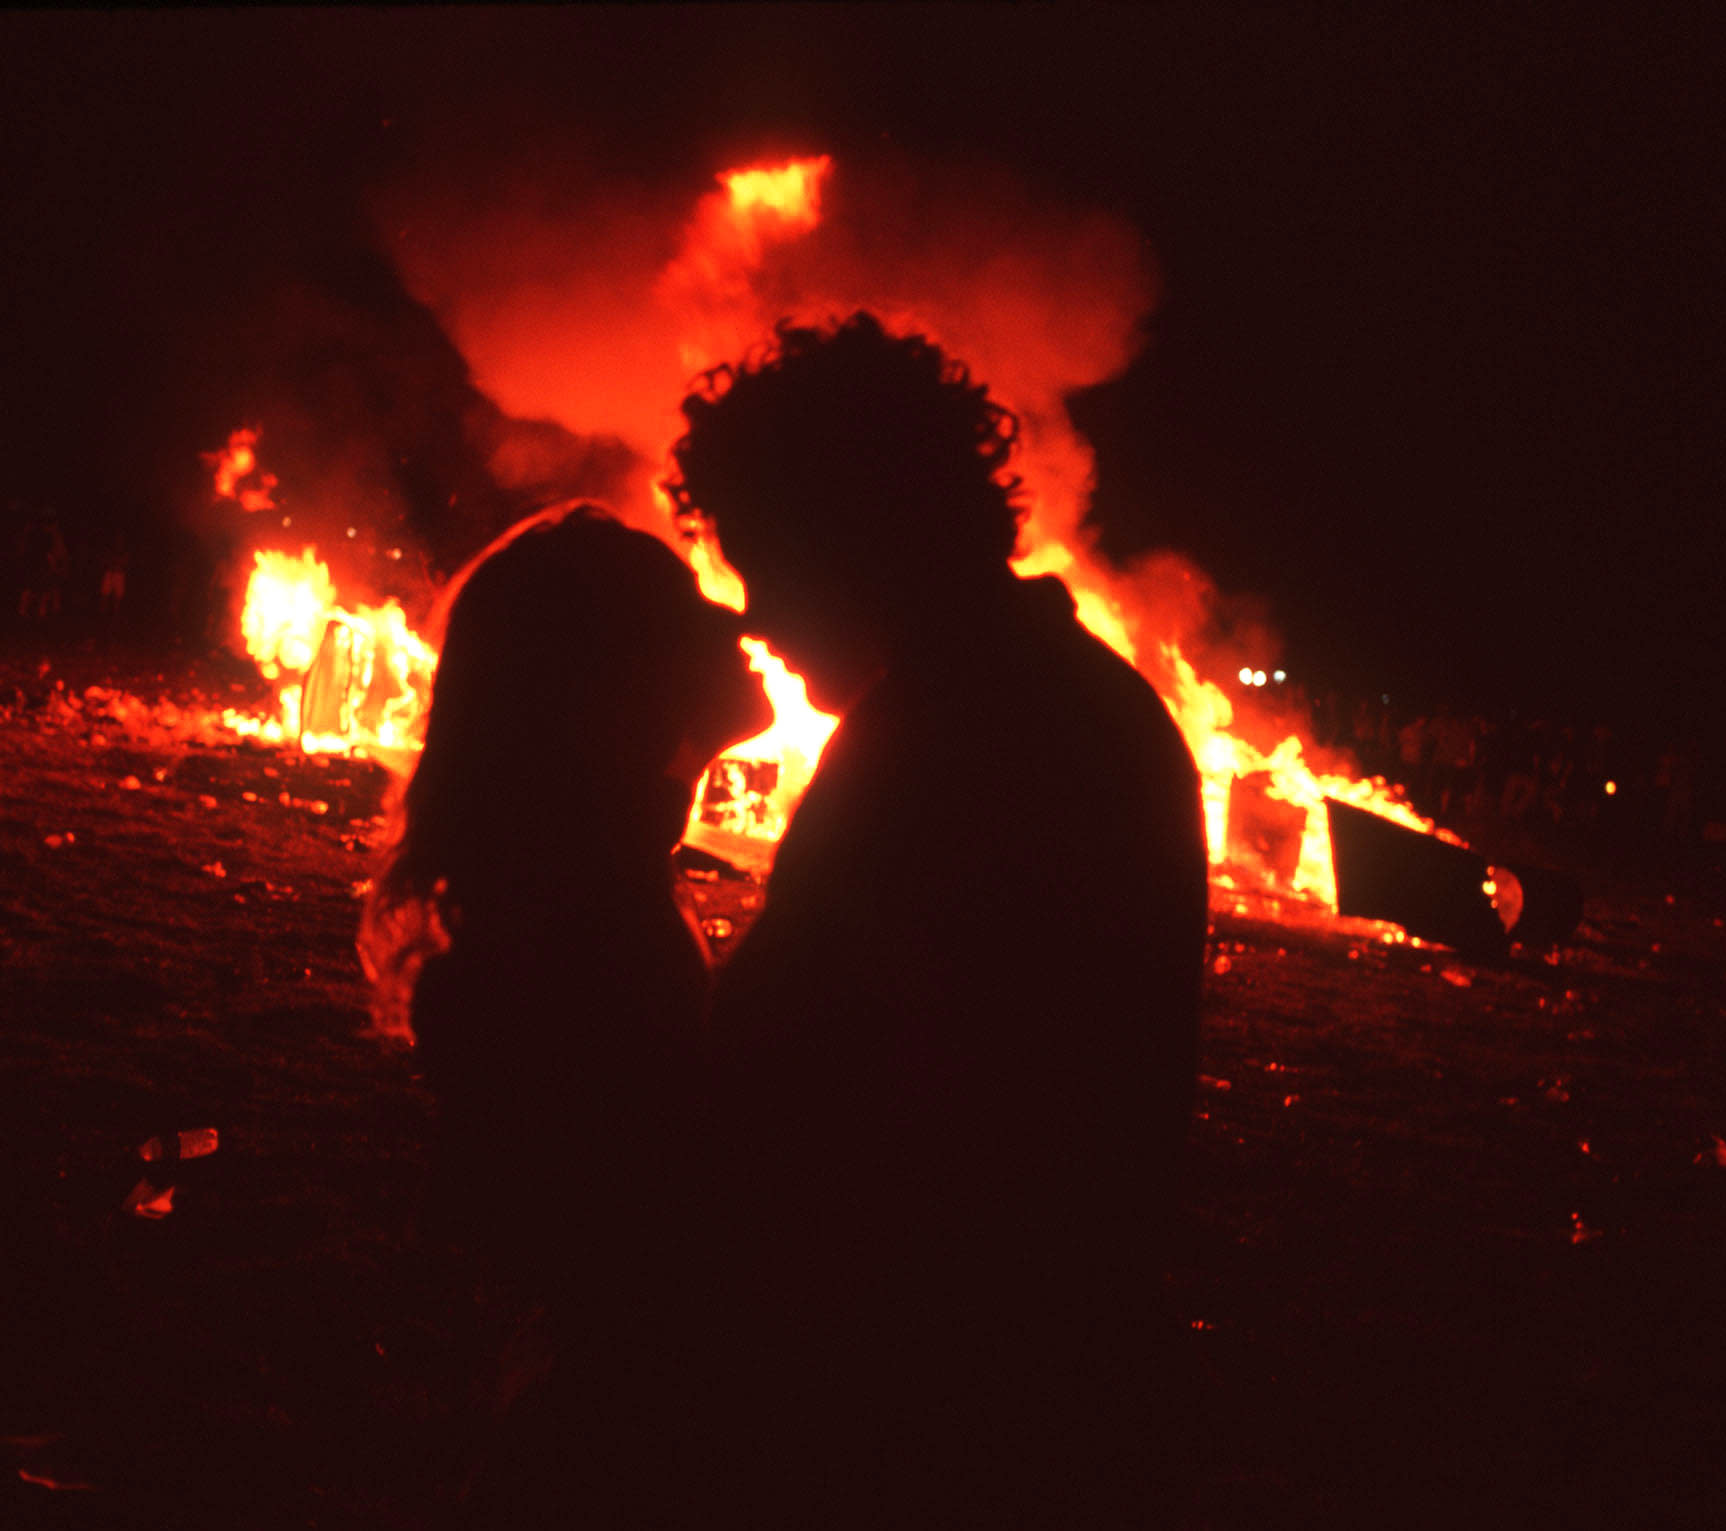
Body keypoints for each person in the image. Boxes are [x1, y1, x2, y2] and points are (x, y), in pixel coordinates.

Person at [667, 312, 1209, 1527]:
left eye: (763, 563)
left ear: (852, 537)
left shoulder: (941, 741)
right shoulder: (1090, 707)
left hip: (917, 1398)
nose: (752, 615)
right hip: (1045, 1368)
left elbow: (772, 1081)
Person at [359, 505, 769, 1528]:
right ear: (614, 676)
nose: (733, 619)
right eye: (683, 606)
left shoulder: (591, 882)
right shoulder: (590, 927)